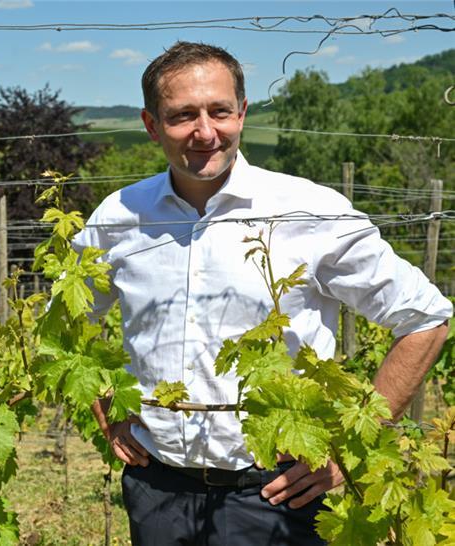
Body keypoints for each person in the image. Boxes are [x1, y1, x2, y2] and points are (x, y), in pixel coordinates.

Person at [73, 41, 452, 545]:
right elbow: (69, 323)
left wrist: (348, 451)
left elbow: (425, 317)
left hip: (274, 498)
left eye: (219, 112)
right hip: (156, 489)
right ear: (150, 124)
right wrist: (107, 407)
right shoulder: (119, 218)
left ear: (243, 113)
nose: (205, 132)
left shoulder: (310, 211)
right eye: (183, 115)